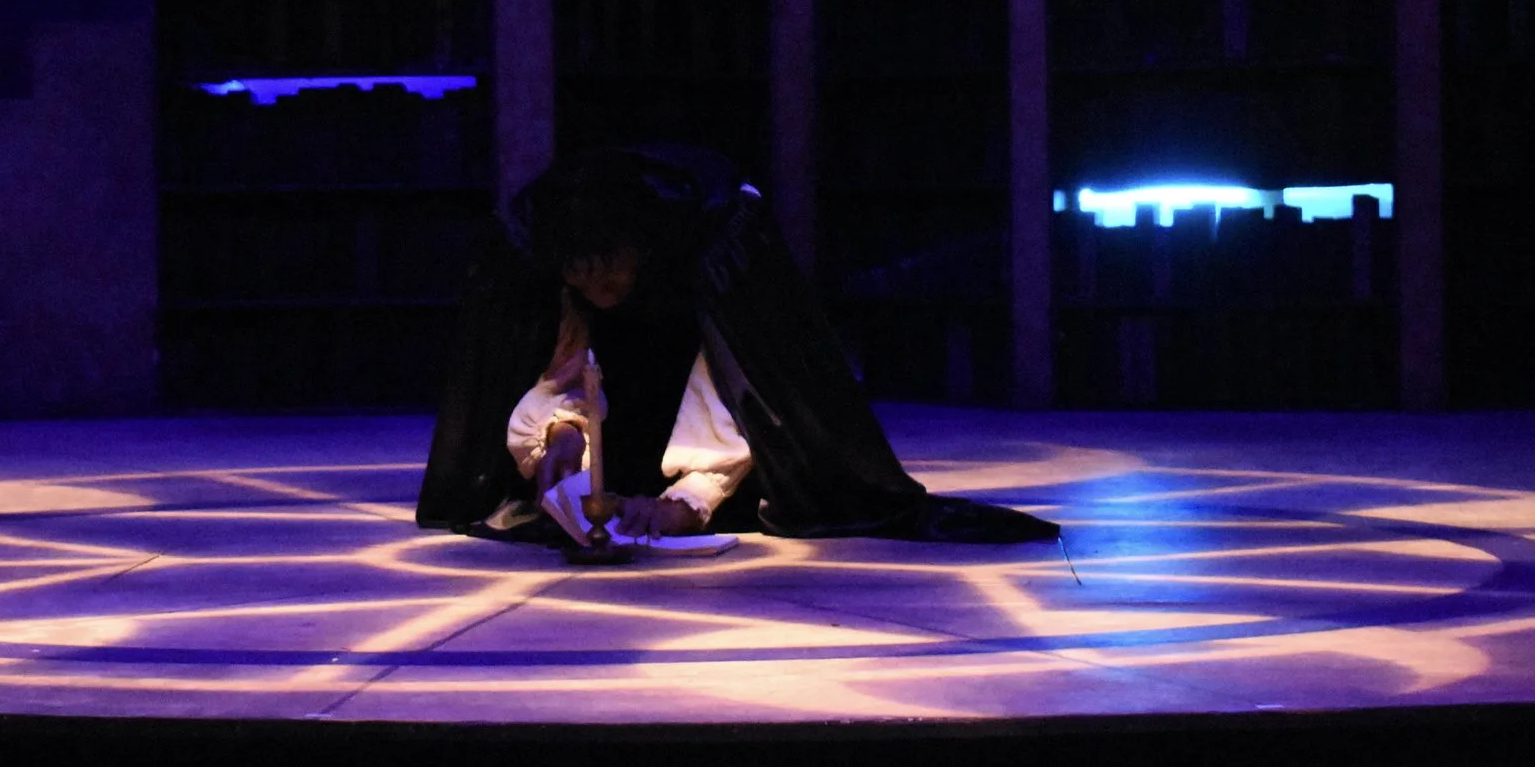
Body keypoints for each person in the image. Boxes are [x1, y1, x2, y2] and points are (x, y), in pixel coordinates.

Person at [416, 145, 1057, 547]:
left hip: (731, 467)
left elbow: (738, 394)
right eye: (579, 276)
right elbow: (565, 371)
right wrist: (561, 441)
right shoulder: (569, 288)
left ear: (640, 249)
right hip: (627, 446)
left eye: (608, 270)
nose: (596, 288)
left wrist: (687, 504)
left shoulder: (710, 262)